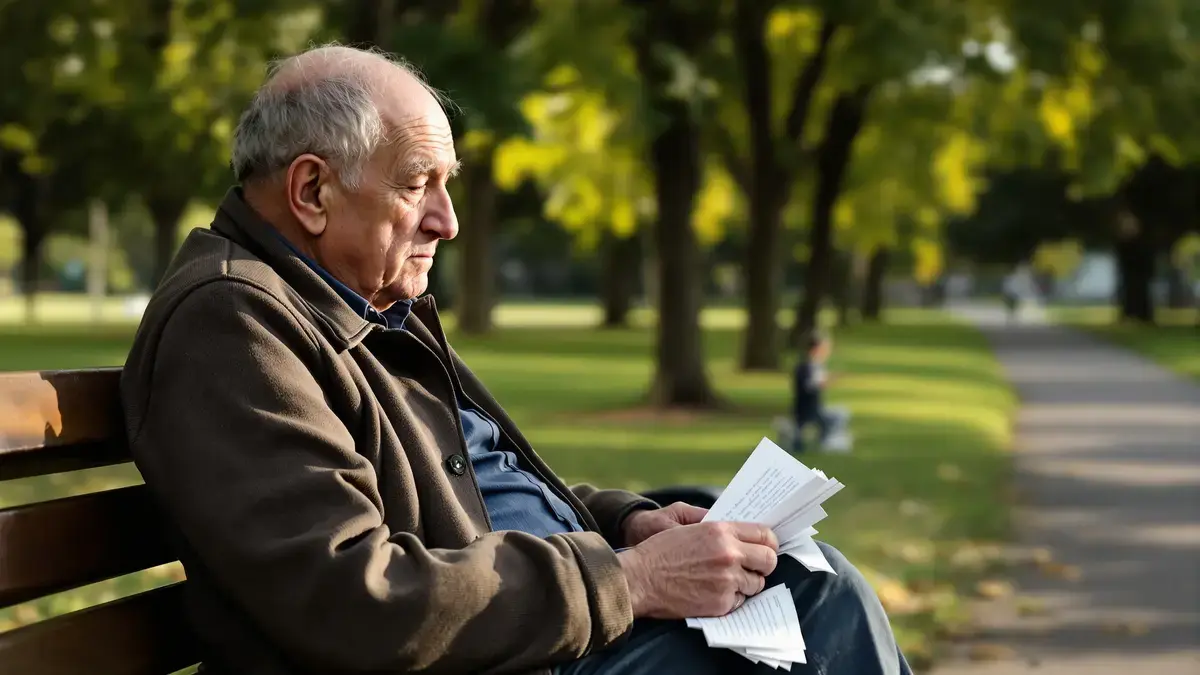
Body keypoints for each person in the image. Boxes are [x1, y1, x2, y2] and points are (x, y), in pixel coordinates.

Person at [120, 44, 910, 675]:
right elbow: (354, 597)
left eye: (448, 184)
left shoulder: (357, 306)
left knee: (810, 575)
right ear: (312, 191)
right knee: (825, 610)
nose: (449, 220)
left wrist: (625, 523)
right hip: (513, 652)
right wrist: (632, 579)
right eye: (418, 184)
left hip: (546, 629)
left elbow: (473, 493)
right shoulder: (233, 322)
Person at [788, 330, 847, 454]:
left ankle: (825, 439)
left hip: (812, 409)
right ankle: (827, 441)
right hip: (808, 411)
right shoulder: (807, 366)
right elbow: (810, 386)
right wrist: (827, 381)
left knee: (839, 413)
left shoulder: (814, 365)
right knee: (840, 414)